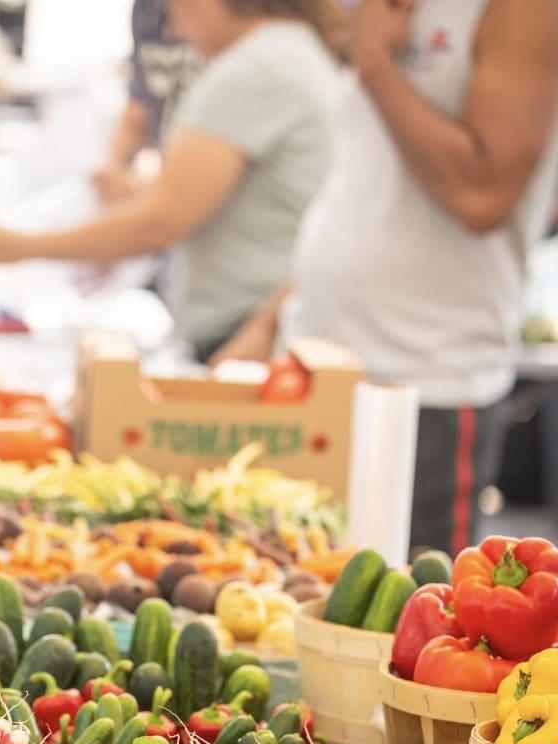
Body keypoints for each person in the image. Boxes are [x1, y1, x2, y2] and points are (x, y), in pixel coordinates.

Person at [214, 0, 558, 554]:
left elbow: (482, 195)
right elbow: (368, 192)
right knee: (295, 600)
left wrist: (373, 63)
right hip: (317, 364)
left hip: (426, 383)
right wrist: (272, 318)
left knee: (404, 623)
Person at [0, 0, 341, 363]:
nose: (174, 29)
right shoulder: (286, 53)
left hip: (251, 335)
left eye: (173, 8)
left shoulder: (258, 68)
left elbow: (159, 222)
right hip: (261, 329)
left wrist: (20, 246)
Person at [92, 0, 201, 203]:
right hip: (168, 175)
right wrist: (114, 169)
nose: (172, 31)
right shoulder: (146, 9)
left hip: (205, 183)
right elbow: (138, 111)